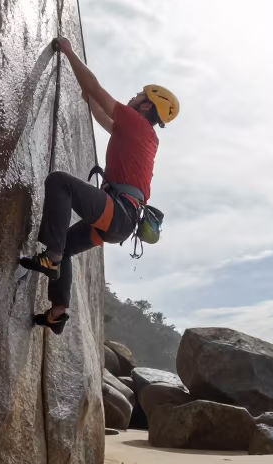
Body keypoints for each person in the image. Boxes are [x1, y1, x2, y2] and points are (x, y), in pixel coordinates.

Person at [20, 36, 179, 335]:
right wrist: (89, 97)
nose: (131, 98)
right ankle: (57, 313)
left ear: (146, 105)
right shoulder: (137, 133)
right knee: (65, 246)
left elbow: (95, 88)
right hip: (118, 222)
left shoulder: (137, 124)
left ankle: (50, 258)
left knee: (59, 183)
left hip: (119, 214)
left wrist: (68, 52)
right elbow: (100, 112)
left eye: (137, 96)